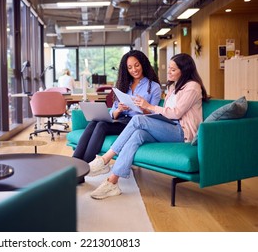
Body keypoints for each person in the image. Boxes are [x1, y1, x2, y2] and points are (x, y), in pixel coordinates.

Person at [88, 53, 209, 200]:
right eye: (169, 69)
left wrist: (149, 107)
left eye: (172, 70)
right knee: (138, 134)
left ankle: (105, 159)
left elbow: (176, 113)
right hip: (169, 127)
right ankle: (112, 182)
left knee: (139, 119)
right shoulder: (174, 87)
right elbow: (167, 114)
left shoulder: (192, 87)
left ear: (184, 70)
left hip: (182, 132)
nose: (168, 72)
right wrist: (151, 112)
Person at [73, 50, 161, 163]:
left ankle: (87, 165)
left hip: (135, 123)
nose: (134, 70)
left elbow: (154, 114)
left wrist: (143, 108)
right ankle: (75, 162)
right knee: (93, 123)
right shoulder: (124, 84)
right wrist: (119, 109)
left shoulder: (154, 87)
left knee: (101, 125)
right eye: (130, 67)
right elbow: (114, 111)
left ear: (143, 64)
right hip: (120, 119)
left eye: (137, 65)